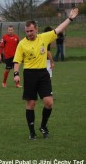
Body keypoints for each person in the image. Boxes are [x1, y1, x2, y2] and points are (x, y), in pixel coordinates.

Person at [13, 8, 79, 140]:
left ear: (36, 29)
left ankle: (43, 126)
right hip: (29, 74)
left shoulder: (44, 37)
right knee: (31, 104)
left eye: (31, 31)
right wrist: (16, 73)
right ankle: (32, 132)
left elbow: (59, 29)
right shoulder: (22, 44)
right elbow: (17, 60)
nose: (29, 33)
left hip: (43, 74)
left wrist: (70, 18)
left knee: (49, 102)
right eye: (27, 31)